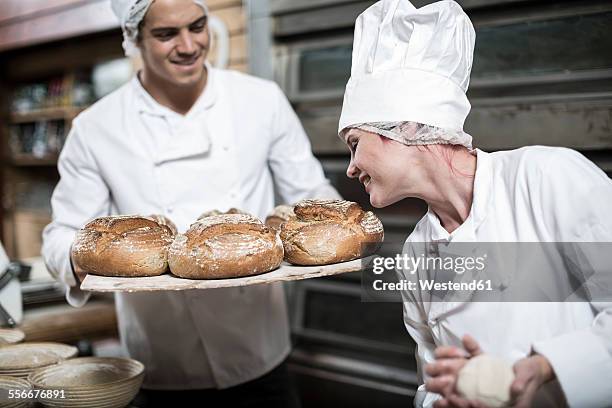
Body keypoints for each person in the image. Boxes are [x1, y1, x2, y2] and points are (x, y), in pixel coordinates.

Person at [42, 0, 340, 406]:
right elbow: (61, 235)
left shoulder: (260, 100)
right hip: (162, 365)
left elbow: (311, 194)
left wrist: (334, 229)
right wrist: (86, 258)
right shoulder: (96, 129)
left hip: (260, 356)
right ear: (134, 39)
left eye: (197, 26)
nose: (188, 45)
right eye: (166, 34)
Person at [337, 0, 612, 407]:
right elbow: (429, 383)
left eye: (355, 144)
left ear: (408, 126)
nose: (350, 169)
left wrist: (544, 366)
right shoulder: (416, 252)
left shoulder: (546, 177)